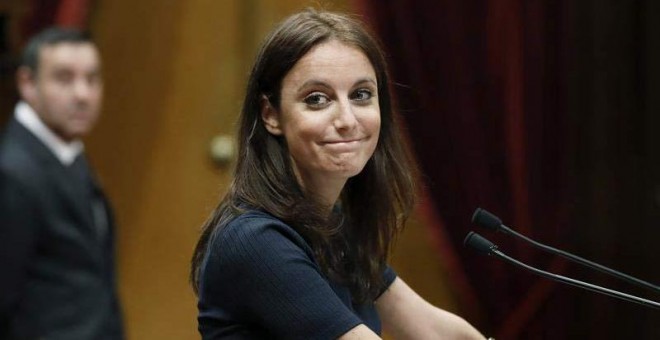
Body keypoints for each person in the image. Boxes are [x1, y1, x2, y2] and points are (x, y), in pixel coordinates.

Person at [190, 8, 486, 340]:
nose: (347, 119)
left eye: (361, 95)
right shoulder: (255, 240)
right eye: (317, 99)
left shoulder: (331, 226)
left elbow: (433, 328)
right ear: (271, 115)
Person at [0, 28, 124, 339]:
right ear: (27, 83)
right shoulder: (13, 172)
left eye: (92, 79)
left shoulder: (65, 152)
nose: (83, 94)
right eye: (64, 78)